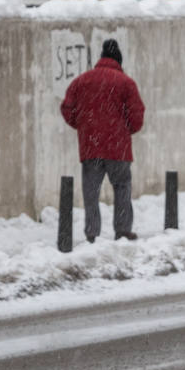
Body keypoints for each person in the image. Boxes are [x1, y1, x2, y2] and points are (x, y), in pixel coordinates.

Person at [60, 39, 146, 243]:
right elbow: (137, 115)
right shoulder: (126, 83)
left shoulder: (81, 81)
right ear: (118, 60)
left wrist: (82, 126)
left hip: (91, 146)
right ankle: (123, 230)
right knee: (122, 187)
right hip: (118, 148)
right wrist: (125, 130)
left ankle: (92, 233)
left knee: (91, 192)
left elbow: (67, 107)